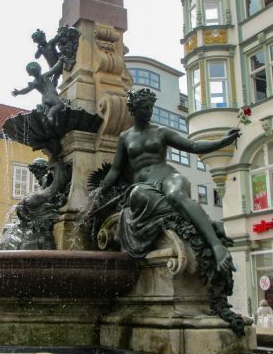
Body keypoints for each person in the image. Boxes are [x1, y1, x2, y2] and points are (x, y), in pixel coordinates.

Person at [100, 88, 240, 272]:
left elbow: (193, 145)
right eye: (144, 107)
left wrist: (221, 142)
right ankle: (209, 224)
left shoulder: (161, 131)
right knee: (139, 195)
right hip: (144, 185)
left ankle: (216, 245)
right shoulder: (124, 137)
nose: (149, 111)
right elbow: (116, 169)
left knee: (175, 195)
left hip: (168, 176)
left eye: (151, 107)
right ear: (133, 109)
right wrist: (101, 189)